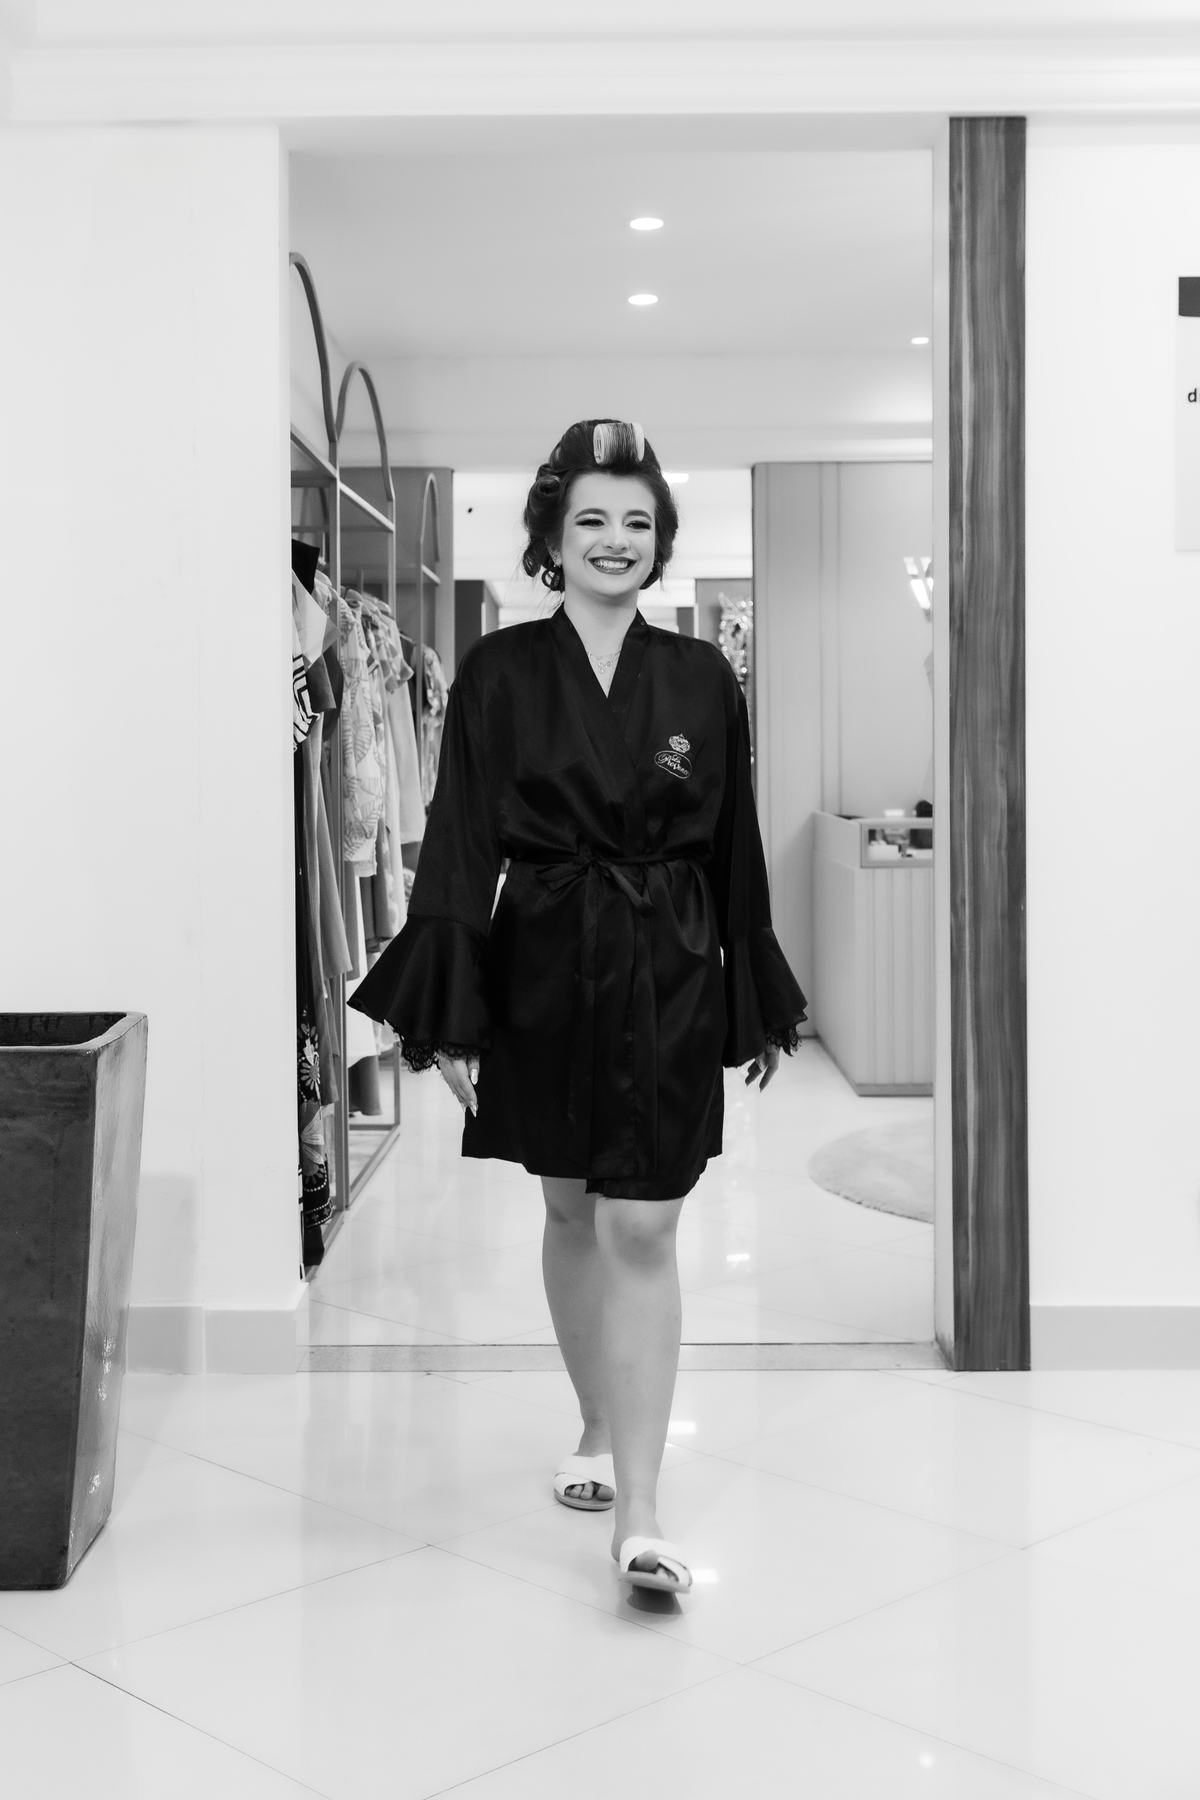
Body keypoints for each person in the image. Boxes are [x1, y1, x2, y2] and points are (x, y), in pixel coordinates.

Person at [350, 418, 806, 1595]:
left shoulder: (700, 676)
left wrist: (752, 987)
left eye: (637, 521)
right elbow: (459, 837)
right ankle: (597, 1422)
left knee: (642, 1224)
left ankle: (641, 1516)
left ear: (661, 542)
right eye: (591, 518)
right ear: (551, 536)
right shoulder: (500, 672)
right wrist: (449, 1010)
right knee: (567, 1210)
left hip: (669, 959)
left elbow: (734, 844)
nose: (615, 538)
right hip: (543, 961)